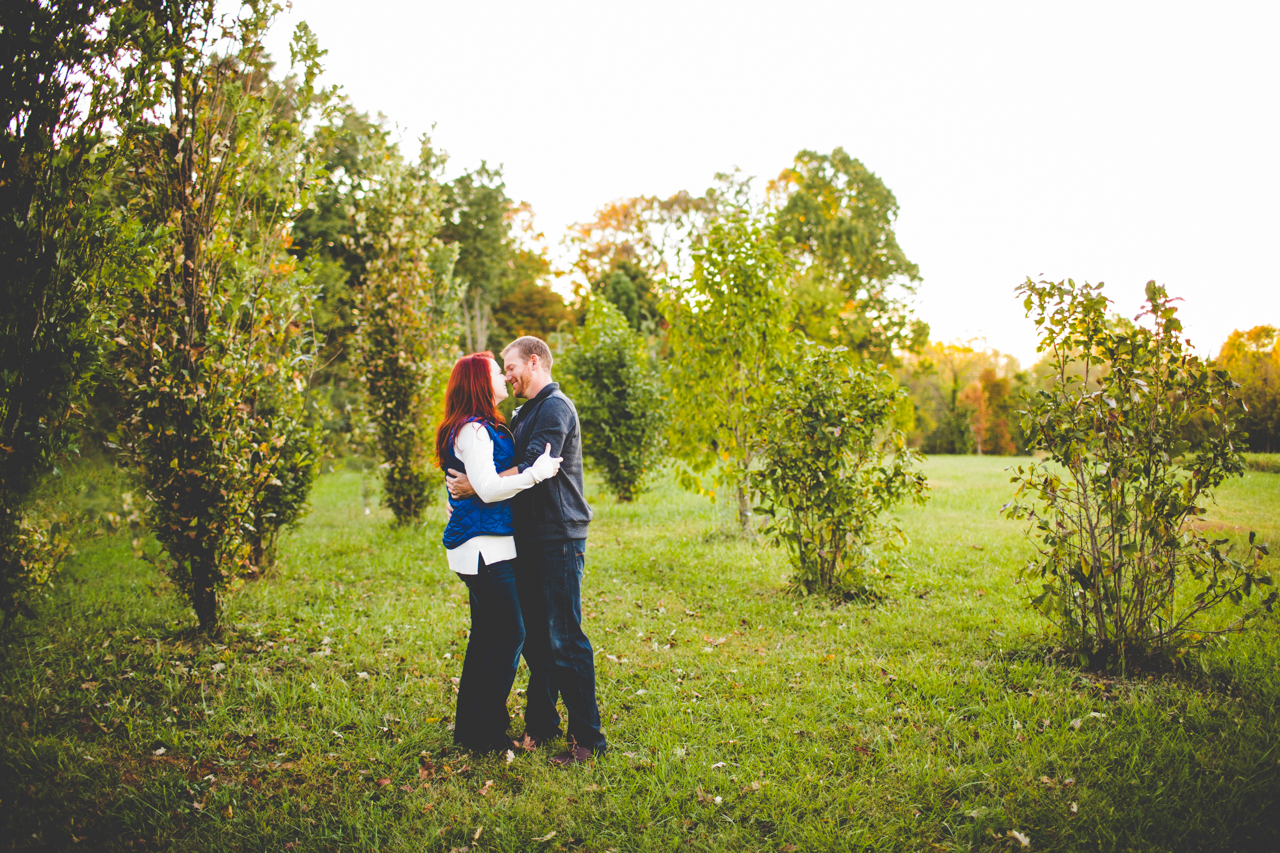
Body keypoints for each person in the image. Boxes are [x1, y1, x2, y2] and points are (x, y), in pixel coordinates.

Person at [446, 335, 605, 766]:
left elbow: (536, 464)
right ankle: (541, 723)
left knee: (565, 639)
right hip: (526, 537)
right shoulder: (522, 412)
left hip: (558, 533)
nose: (507, 373)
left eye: (509, 365)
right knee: (535, 639)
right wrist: (471, 483)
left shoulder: (555, 407)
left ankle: (588, 738)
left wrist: (476, 486)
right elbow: (497, 469)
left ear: (533, 362)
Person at [435, 351, 562, 755]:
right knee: (511, 634)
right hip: (482, 550)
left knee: (486, 637)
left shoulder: (478, 427)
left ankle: (470, 729)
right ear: (477, 382)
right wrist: (535, 473)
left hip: (482, 544)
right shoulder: (473, 430)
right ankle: (487, 733)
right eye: (496, 372)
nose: (504, 379)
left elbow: (469, 485)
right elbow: (488, 488)